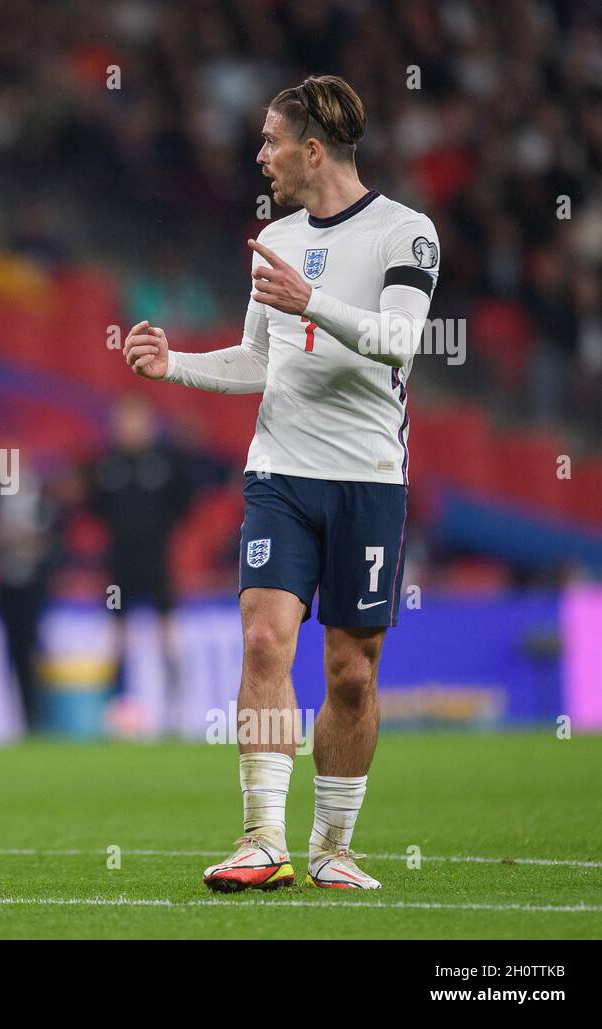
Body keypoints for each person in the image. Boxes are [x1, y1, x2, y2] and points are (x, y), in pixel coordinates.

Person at [124, 75, 440, 891]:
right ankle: (262, 838)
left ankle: (334, 846)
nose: (258, 157)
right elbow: (262, 360)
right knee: (264, 639)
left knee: (350, 673)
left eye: (269, 141)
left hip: (367, 477)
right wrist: (176, 367)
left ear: (310, 148)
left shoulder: (407, 234)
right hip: (281, 474)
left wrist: (313, 299)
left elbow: (401, 342)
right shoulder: (280, 239)